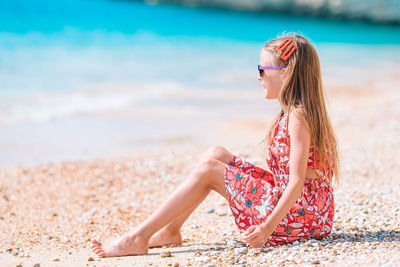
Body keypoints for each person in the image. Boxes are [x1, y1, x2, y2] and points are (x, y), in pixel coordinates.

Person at [90, 33, 340, 257]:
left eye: (262, 69)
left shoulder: (297, 117)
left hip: (301, 216)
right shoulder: (295, 113)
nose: (258, 77)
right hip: (308, 209)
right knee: (215, 153)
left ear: (285, 72)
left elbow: (296, 182)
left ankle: (137, 238)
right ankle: (170, 231)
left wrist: (266, 229)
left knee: (209, 169)